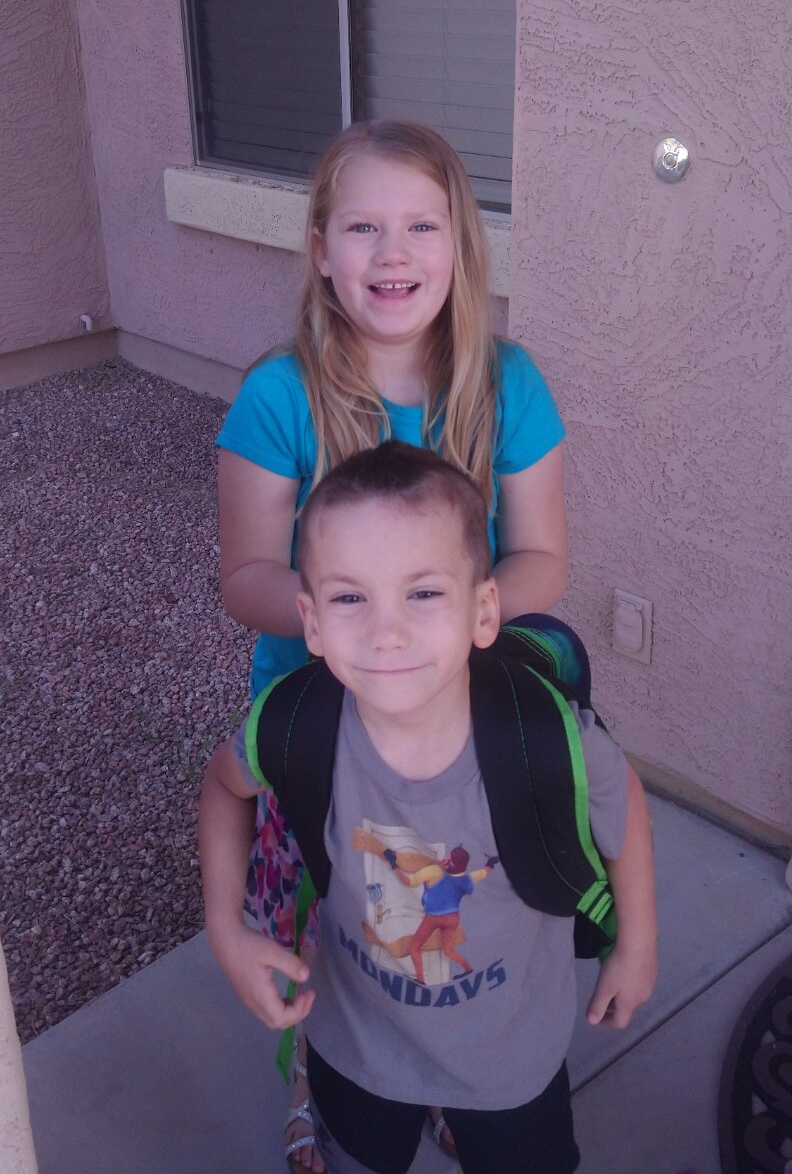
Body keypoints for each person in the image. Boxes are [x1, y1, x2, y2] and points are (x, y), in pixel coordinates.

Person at [214, 119, 569, 1168]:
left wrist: (452, 635)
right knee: (329, 918)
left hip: (458, 705)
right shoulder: (278, 396)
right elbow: (245, 577)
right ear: (322, 250)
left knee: (441, 918)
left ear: (460, 246)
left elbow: (542, 557)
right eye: (363, 227)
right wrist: (361, 631)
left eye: (422, 225)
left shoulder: (509, 384)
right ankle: (317, 1071)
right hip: (323, 714)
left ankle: (447, 1070)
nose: (393, 251)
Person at [199, 443, 659, 1174]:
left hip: (509, 1062)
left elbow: (621, 798)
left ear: (484, 611)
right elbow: (226, 786)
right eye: (349, 598)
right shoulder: (293, 725)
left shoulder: (544, 740)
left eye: (422, 593)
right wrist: (225, 927)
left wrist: (635, 942)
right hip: (357, 1047)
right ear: (311, 623)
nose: (386, 631)